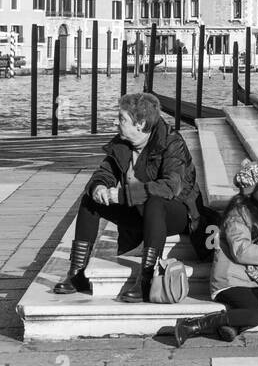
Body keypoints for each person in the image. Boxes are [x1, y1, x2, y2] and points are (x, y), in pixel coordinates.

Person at [53, 91, 201, 303]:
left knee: (154, 201)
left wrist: (122, 195)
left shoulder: (171, 142)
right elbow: (104, 172)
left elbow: (170, 187)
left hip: (177, 213)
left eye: (121, 118)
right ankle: (77, 274)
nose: (116, 121)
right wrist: (99, 187)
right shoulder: (122, 142)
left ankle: (147, 278)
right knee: (90, 201)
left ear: (140, 124)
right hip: (140, 212)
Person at [175, 159, 258, 346]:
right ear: (252, 192)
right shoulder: (238, 214)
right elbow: (241, 250)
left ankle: (235, 327)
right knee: (255, 312)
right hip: (230, 281)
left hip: (253, 281)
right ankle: (195, 325)